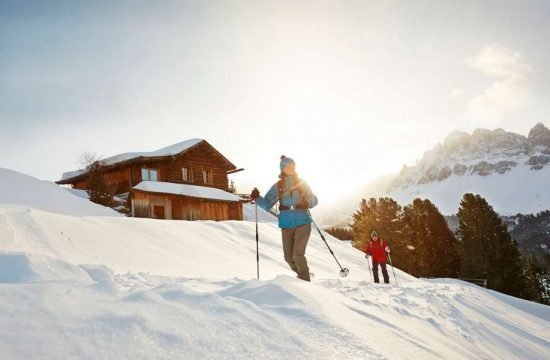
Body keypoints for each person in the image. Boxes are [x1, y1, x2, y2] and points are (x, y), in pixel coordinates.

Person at [250, 155, 318, 282]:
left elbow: (314, 199)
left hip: (303, 222)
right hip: (286, 224)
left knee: (297, 255)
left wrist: (307, 203)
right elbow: (267, 204)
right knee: (288, 258)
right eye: (288, 166)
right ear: (282, 169)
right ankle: (303, 275)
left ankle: (305, 281)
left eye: (292, 166)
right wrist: (257, 198)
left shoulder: (302, 183)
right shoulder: (278, 186)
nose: (291, 168)